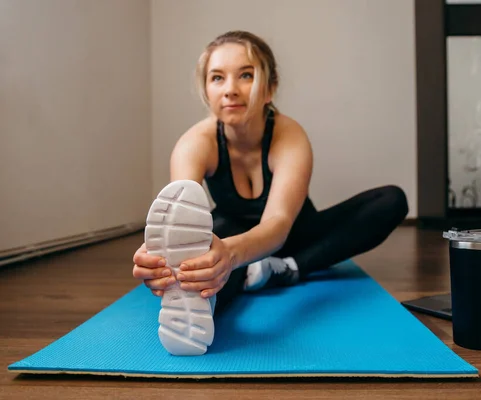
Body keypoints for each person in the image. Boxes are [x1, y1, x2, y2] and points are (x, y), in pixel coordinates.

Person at [132, 30, 408, 354]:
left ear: (270, 88)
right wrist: (163, 256)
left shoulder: (290, 137)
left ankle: (285, 269)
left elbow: (277, 224)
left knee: (390, 200)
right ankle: (203, 300)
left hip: (294, 234)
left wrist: (231, 254)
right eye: (217, 78)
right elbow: (179, 221)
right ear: (206, 89)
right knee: (208, 255)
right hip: (231, 232)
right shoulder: (194, 144)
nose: (230, 90)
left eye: (246, 75)